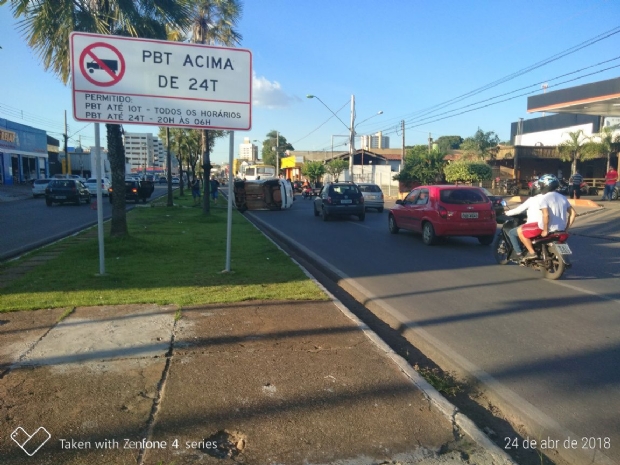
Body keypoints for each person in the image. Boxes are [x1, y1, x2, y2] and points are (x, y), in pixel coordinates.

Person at [521, 174, 576, 260]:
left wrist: (545, 230)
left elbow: (546, 215)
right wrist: (566, 228)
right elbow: (573, 213)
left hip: (548, 229)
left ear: (545, 185)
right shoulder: (563, 198)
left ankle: (532, 252)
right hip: (561, 230)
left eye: (541, 184)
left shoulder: (545, 198)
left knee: (521, 231)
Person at [504, 191, 544, 259]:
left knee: (512, 233)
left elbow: (518, 210)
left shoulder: (532, 200)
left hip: (535, 225)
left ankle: (519, 253)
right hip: (549, 225)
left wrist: (507, 213)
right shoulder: (550, 198)